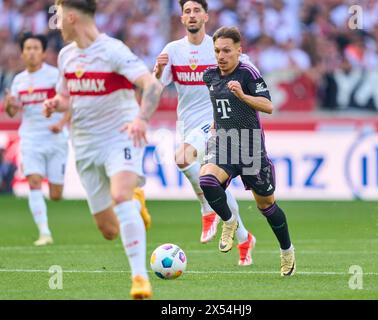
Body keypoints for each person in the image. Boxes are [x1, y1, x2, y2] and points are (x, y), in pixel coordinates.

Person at [43, 0, 163, 299]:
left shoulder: (113, 51)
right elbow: (65, 96)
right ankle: (136, 203)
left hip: (119, 136)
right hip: (83, 145)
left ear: (72, 18)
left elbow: (152, 86)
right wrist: (54, 104)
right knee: (109, 229)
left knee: (119, 195)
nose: (54, 23)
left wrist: (141, 119)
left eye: (57, 17)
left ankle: (139, 279)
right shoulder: (66, 56)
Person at [153, 0, 256, 266]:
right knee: (215, 185)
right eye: (187, 11)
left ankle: (206, 208)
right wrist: (156, 72)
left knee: (182, 158)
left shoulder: (218, 49)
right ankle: (244, 237)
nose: (192, 15)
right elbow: (154, 89)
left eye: (196, 10)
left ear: (206, 17)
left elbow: (246, 69)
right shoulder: (173, 50)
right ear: (182, 18)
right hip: (186, 125)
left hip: (214, 122)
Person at [200, 26, 296, 276]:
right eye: (217, 51)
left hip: (251, 147)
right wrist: (215, 124)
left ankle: (287, 250)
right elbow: (219, 105)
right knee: (207, 180)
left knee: (267, 206)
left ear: (239, 51)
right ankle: (230, 222)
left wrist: (242, 95)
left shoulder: (248, 74)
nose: (221, 56)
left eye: (227, 51)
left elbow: (268, 106)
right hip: (224, 143)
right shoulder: (210, 76)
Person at [4, 33, 70, 246]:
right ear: (22, 53)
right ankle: (45, 233)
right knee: (33, 182)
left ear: (43, 52)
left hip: (55, 138)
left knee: (56, 194)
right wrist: (9, 105)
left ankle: (46, 225)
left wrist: (60, 123)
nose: (31, 52)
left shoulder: (54, 76)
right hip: (31, 139)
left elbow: (72, 102)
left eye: (36, 48)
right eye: (28, 48)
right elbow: (13, 111)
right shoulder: (18, 80)